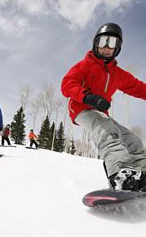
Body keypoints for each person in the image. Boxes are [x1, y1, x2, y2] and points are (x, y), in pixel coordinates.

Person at [61, 22, 146, 192]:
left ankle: (141, 175)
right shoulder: (84, 65)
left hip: (101, 114)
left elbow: (138, 87)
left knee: (132, 140)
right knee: (107, 131)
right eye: (103, 42)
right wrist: (88, 97)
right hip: (80, 109)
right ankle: (120, 175)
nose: (107, 47)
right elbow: (67, 84)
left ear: (118, 48)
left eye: (112, 43)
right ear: (95, 43)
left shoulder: (118, 74)